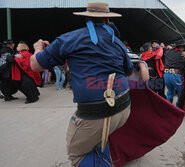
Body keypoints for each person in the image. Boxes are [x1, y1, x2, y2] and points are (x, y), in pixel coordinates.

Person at [30, 2, 133, 166]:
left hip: (97, 113)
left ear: (85, 18)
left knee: (77, 154)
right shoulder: (119, 43)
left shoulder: (69, 38)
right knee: (100, 138)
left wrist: (37, 49)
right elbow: (128, 71)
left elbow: (35, 65)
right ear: (108, 20)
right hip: (124, 106)